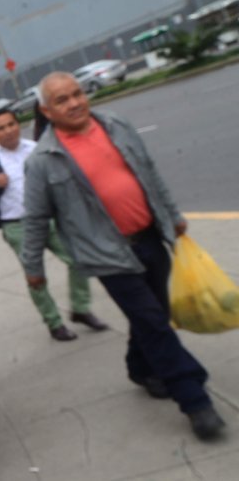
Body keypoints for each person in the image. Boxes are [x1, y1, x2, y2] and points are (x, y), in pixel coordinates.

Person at [21, 71, 225, 440]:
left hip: (150, 237)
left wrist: (172, 216)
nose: (74, 104)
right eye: (62, 100)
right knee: (154, 323)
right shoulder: (42, 161)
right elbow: (35, 219)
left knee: (154, 315)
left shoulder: (117, 125)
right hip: (108, 256)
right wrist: (32, 268)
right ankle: (194, 399)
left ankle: (139, 366)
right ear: (46, 111)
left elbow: (150, 173)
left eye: (77, 94)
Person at [0, 108, 108, 341]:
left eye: (11, 125)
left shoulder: (33, 148)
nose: (8, 131)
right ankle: (54, 322)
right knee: (36, 277)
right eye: (1, 128)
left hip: (49, 219)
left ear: (18, 125)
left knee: (78, 259)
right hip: (17, 226)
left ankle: (80, 308)